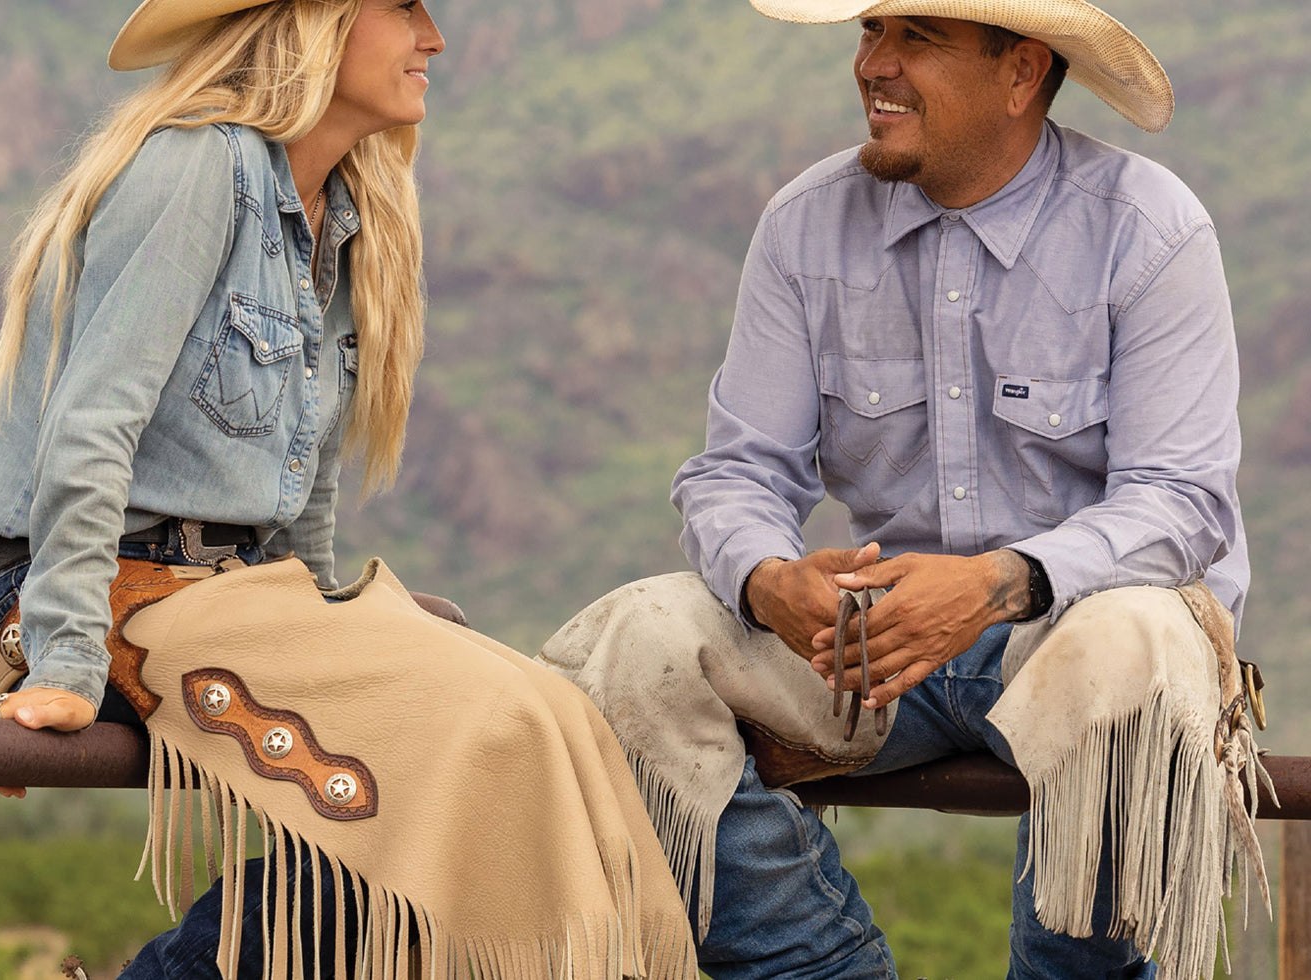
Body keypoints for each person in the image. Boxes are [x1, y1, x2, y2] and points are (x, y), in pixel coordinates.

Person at [0, 2, 697, 978]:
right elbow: (90, 425)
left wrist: (334, 623)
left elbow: (295, 485)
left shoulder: (340, 215)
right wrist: (57, 662)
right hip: (103, 586)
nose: (433, 39)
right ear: (314, 22)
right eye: (403, 8)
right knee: (487, 723)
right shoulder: (198, 167)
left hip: (232, 592)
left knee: (553, 713)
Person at [537, 1, 1270, 978]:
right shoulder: (805, 224)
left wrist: (994, 585)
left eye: (913, 38)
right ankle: (815, 965)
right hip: (878, 644)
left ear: (1019, 73)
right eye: (868, 32)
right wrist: (765, 579)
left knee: (1125, 640)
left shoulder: (1147, 229)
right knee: (633, 641)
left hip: (1078, 634)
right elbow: (739, 467)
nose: (870, 64)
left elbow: (1180, 504)